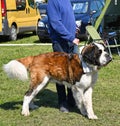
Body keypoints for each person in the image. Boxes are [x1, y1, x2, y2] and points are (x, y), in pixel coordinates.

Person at [47, 0, 80, 113]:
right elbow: (56, 23)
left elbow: (67, 18)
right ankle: (62, 102)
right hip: (60, 43)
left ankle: (71, 99)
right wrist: (71, 37)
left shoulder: (67, 1)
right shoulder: (52, 2)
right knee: (60, 73)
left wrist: (74, 27)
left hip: (71, 41)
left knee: (73, 71)